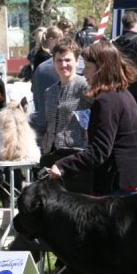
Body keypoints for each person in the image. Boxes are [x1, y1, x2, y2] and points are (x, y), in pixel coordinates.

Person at [48, 41, 137, 196]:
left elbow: (99, 151)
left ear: (101, 69)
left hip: (129, 183)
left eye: (88, 67)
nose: (85, 73)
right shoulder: (122, 93)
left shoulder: (106, 100)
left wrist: (62, 166)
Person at [40, 39, 92, 194]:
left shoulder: (86, 86)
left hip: (76, 153)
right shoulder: (49, 92)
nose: (63, 64)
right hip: (52, 153)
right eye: (59, 60)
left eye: (68, 60)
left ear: (77, 61)